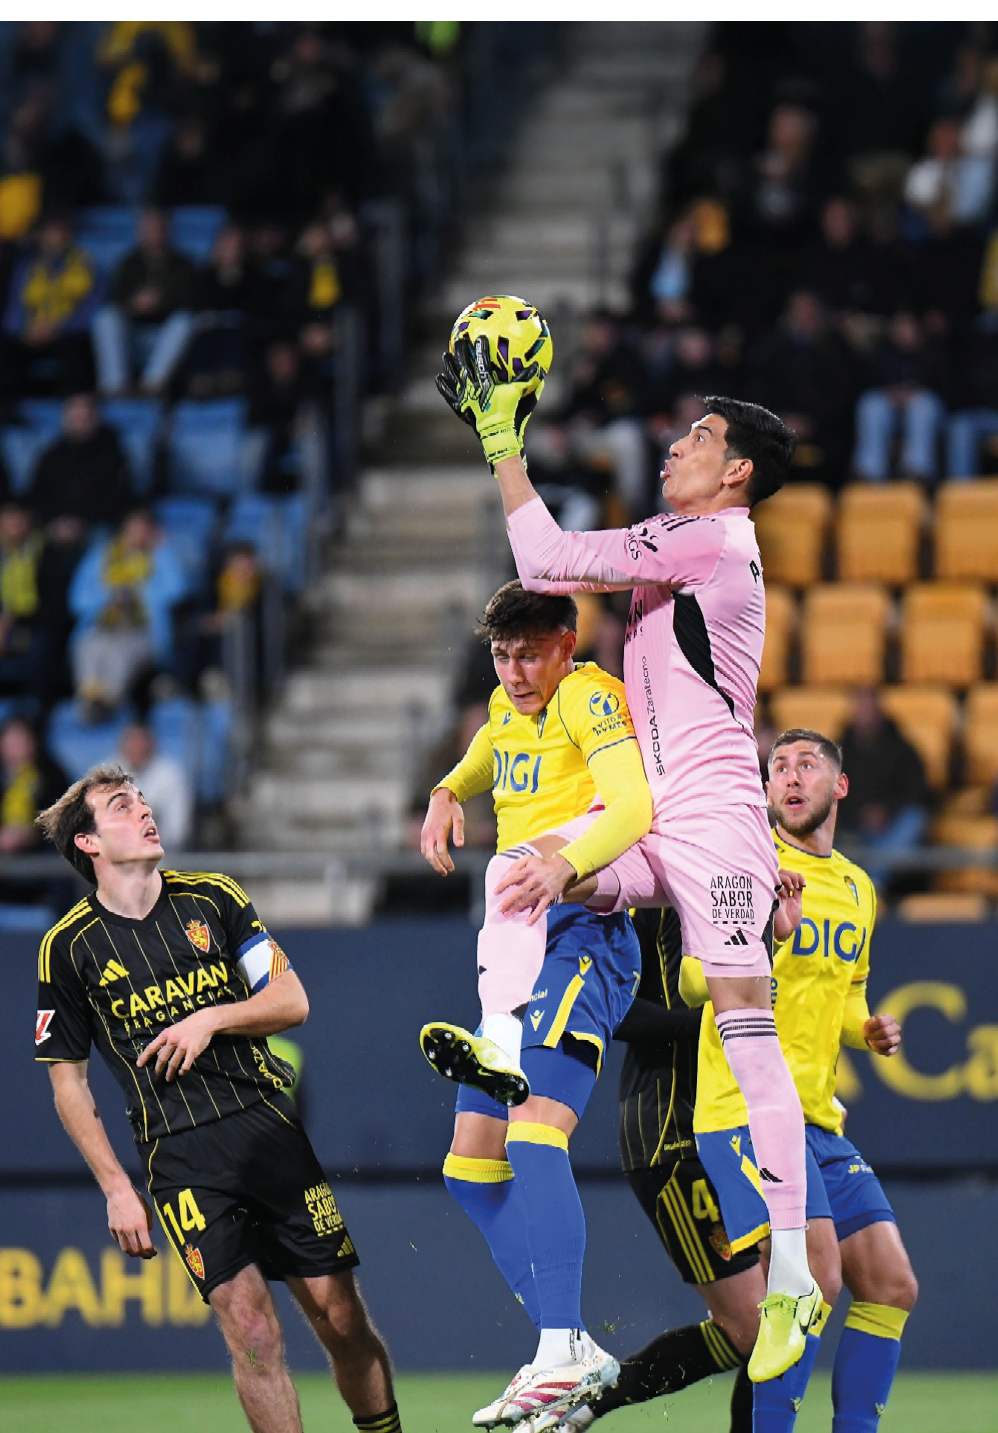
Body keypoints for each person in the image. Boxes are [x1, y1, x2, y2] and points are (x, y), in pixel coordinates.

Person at [437, 340, 815, 1385]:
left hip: (716, 826)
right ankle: (507, 1033)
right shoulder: (688, 543)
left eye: (696, 436)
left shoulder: (709, 538)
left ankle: (788, 1268)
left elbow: (546, 562)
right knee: (530, 870)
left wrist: (503, 443)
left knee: (746, 1029)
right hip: (652, 822)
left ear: (733, 468)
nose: (673, 446)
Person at [34, 763, 402, 1433]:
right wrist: (117, 1186)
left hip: (268, 1132)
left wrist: (212, 1017)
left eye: (143, 798)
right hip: (180, 1159)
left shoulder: (214, 896)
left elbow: (292, 999)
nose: (144, 810)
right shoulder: (68, 949)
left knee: (341, 1317)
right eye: (122, 805)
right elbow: (68, 1082)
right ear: (88, 843)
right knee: (251, 1329)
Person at [419, 580, 652, 1427]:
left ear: (566, 643)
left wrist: (566, 864)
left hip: (585, 934)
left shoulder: (592, 696)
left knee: (534, 1131)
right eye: (502, 655)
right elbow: (489, 749)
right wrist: (450, 787)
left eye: (530, 654)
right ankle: (575, 1343)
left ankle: (556, 1348)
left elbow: (632, 803)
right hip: (524, 940)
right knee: (470, 1165)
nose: (516, 672)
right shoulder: (504, 702)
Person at [92, 206, 198, 396]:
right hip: (133, 334)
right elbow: (116, 299)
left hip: (165, 336)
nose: (154, 234)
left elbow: (191, 301)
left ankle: (152, 386)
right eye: (148, 228)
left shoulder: (184, 265)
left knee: (184, 321)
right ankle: (115, 387)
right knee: (105, 318)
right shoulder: (128, 263)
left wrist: (160, 302)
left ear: (168, 230)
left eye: (158, 228)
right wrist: (135, 304)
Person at [115, 722, 193, 849]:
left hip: (162, 854)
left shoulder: (171, 775)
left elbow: (177, 830)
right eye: (132, 742)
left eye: (140, 743)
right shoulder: (106, 774)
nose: (136, 748)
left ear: (151, 745)